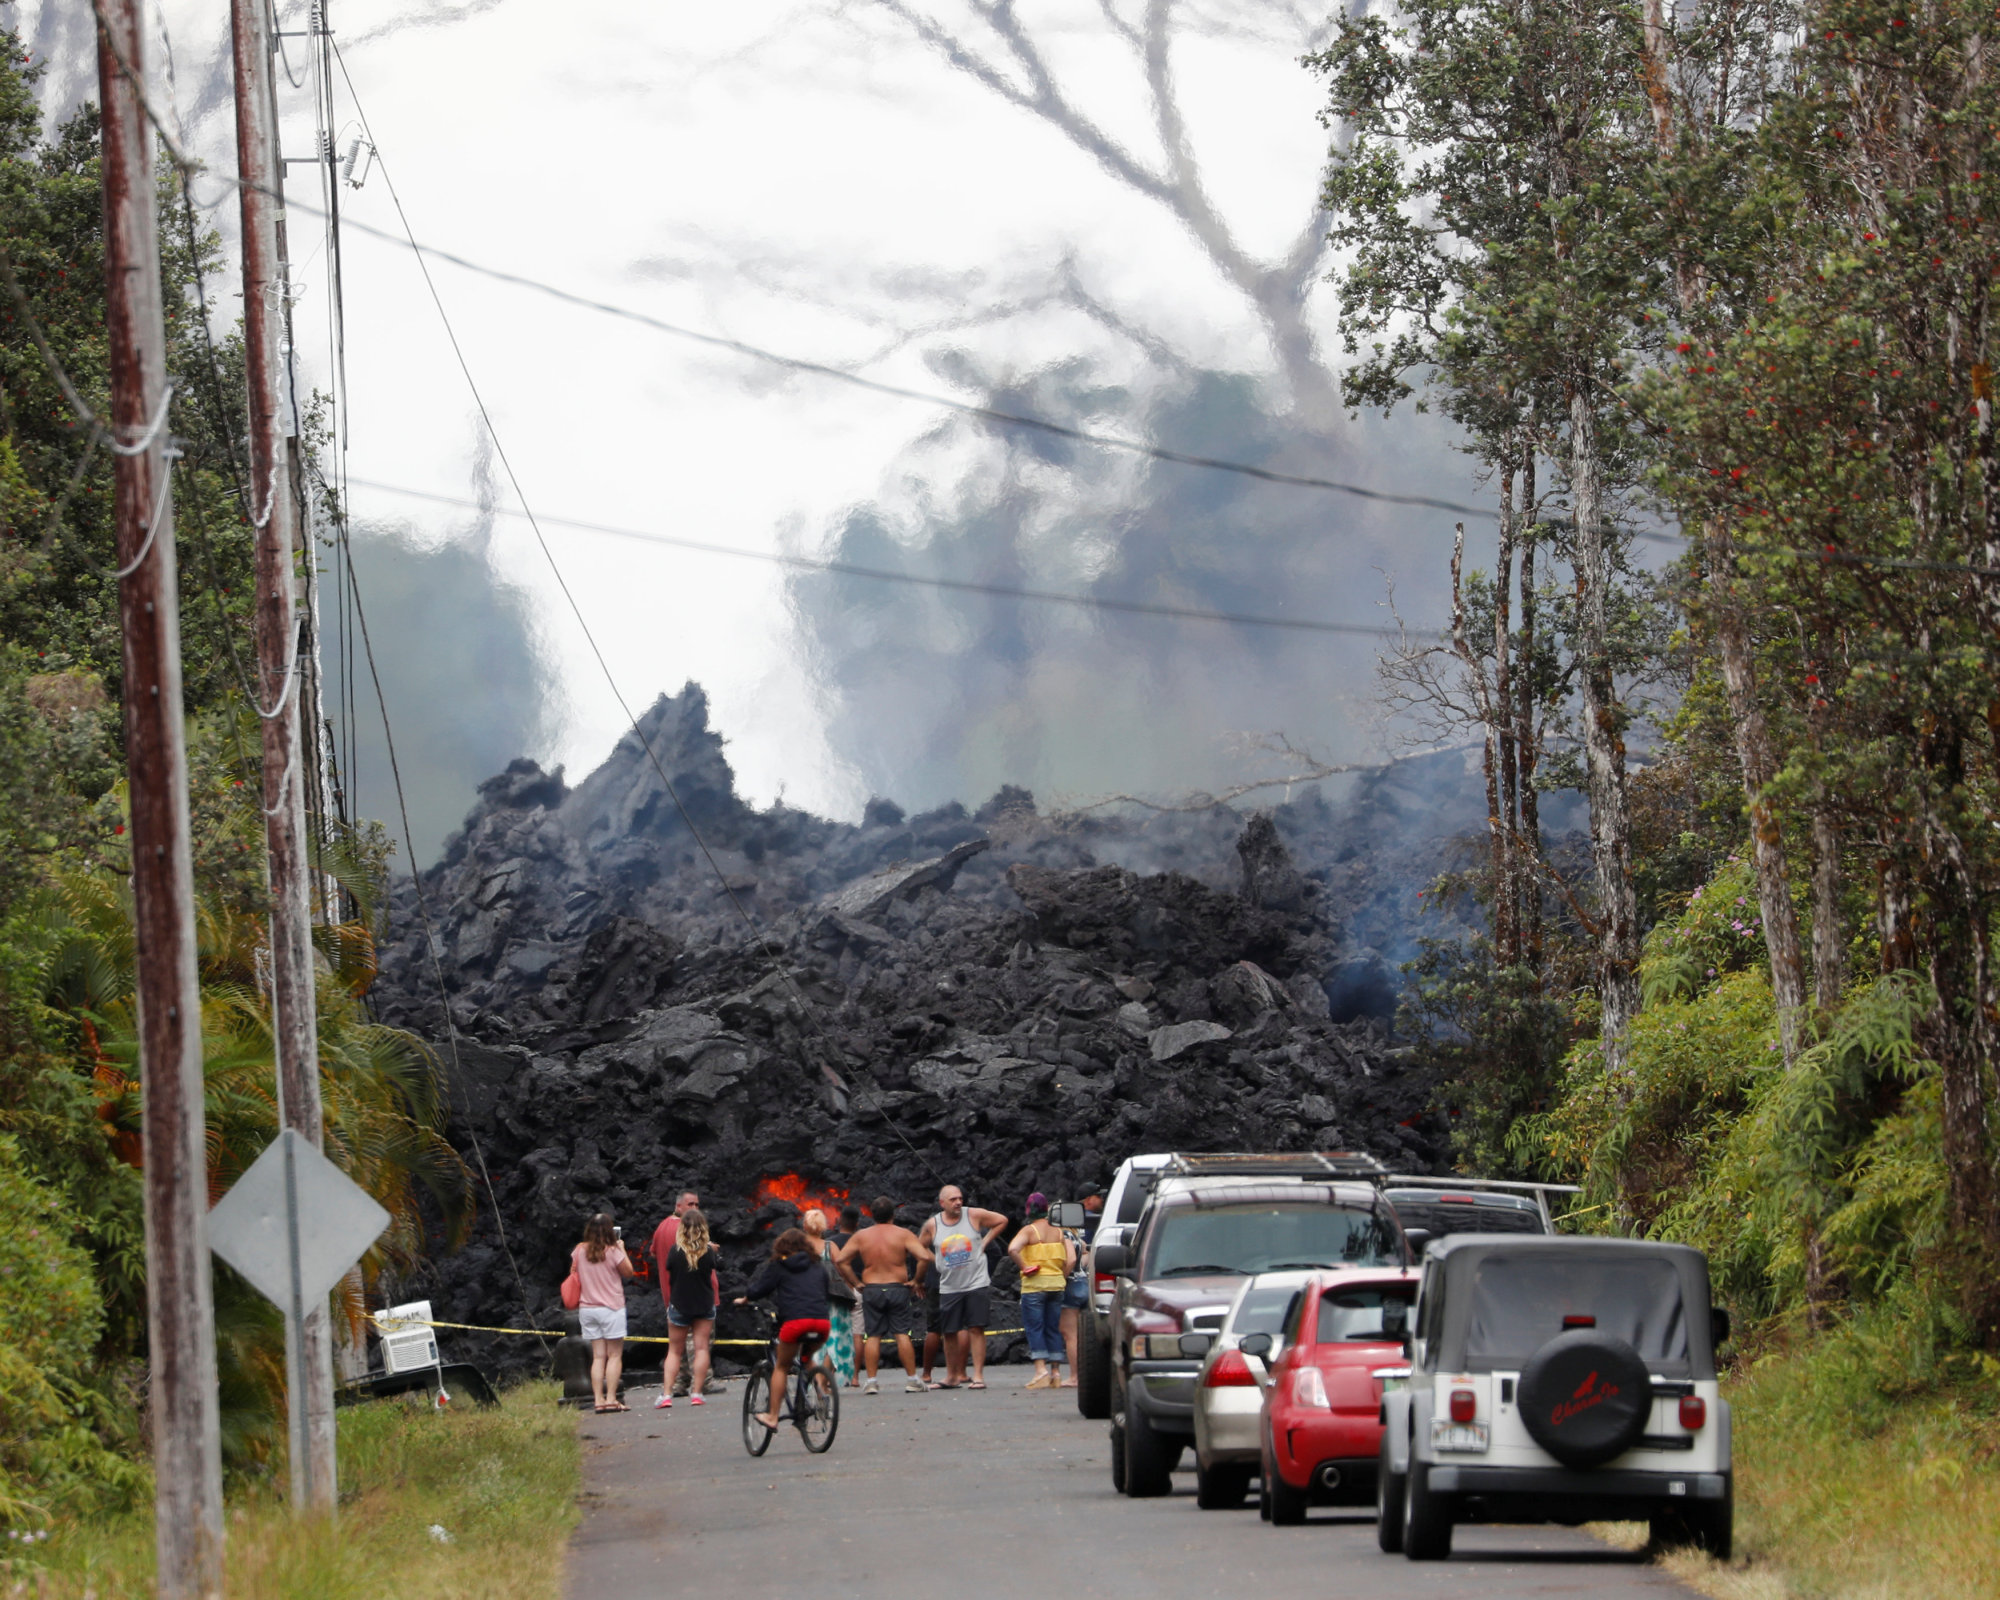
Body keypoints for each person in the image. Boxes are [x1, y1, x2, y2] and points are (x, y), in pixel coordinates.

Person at [834, 1196, 934, 1394]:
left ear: (872, 1215)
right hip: (897, 1288)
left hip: (871, 1289)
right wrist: (917, 1280)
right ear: (893, 1215)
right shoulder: (903, 1234)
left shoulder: (861, 1236)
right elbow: (923, 1257)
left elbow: (842, 1260)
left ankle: (871, 1381)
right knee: (901, 1334)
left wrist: (856, 1283)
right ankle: (912, 1379)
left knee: (873, 1335)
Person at [735, 1228, 832, 1432]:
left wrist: (745, 1299)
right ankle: (822, 1396)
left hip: (796, 1323)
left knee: (781, 1366)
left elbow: (759, 1289)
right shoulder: (818, 1266)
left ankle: (772, 1416)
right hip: (822, 1323)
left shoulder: (779, 1265)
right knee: (807, 1359)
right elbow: (825, 1290)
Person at [917, 1185, 1009, 1389]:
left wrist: (985, 1241)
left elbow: (1002, 1220)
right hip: (950, 1285)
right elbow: (918, 1246)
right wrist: (936, 1260)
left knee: (976, 1328)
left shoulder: (973, 1215)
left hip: (976, 1282)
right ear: (942, 1203)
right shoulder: (933, 1225)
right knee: (949, 1331)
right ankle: (951, 1376)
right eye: (952, 1199)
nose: (958, 1202)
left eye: (960, 1198)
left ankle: (977, 1376)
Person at [653, 1190, 723, 1398]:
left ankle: (678, 1384)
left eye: (697, 1205)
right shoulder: (689, 1232)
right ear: (678, 1206)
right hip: (700, 1296)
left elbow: (656, 1253)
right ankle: (702, 1383)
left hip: (673, 1296)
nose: (694, 1209)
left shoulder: (661, 1228)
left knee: (677, 1346)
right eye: (690, 1204)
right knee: (699, 1345)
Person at [1009, 1193, 1076, 1389]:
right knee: (1052, 1327)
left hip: (1035, 1286)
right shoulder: (1059, 1232)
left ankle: (1040, 1371)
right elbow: (1070, 1259)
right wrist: (1060, 1276)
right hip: (1056, 1285)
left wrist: (1025, 1267)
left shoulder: (1029, 1231)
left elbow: (1012, 1249)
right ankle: (1055, 1372)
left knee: (1034, 1327)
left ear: (1029, 1210)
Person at [572, 1213, 635, 1413]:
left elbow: (573, 1273)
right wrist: (622, 1249)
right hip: (611, 1307)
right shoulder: (613, 1251)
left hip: (588, 1308)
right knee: (614, 1355)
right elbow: (629, 1272)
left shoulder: (579, 1250)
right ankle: (611, 1398)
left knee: (598, 1357)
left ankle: (598, 1400)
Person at [803, 1207, 860, 1390]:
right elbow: (842, 1268)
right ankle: (823, 1381)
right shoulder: (830, 1247)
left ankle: (818, 1380)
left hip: (807, 1300)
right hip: (832, 1300)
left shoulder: (797, 1247)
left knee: (812, 1340)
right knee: (834, 1340)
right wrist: (851, 1288)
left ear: (805, 1225)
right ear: (823, 1227)